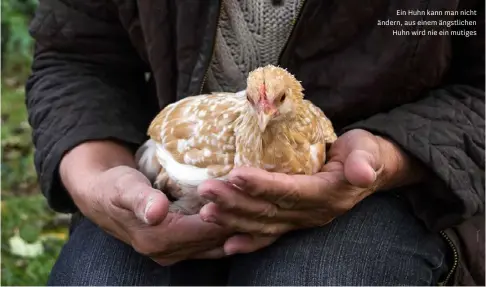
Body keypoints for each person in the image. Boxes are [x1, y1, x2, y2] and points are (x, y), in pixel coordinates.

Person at [25, 0, 484, 285]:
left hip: (400, 179)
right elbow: (78, 54)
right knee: (99, 280)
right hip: (174, 175)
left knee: (323, 279)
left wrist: (389, 155)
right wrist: (95, 177)